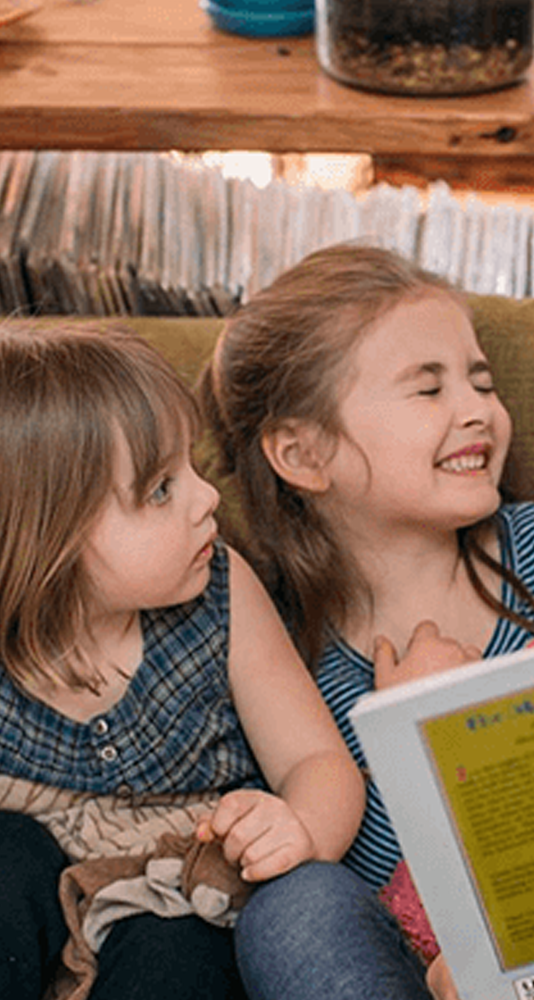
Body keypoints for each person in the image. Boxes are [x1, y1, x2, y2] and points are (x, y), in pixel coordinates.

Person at [201, 243, 534, 999]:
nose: (476, 409)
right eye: (429, 390)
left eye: (481, 382)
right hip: (415, 970)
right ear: (302, 453)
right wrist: (420, 728)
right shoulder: (287, 651)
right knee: (295, 910)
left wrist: (468, 715)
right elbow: (371, 874)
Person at [0, 322, 365, 1000]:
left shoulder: (223, 591)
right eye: (161, 489)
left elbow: (318, 764)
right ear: (46, 540)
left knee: (179, 958)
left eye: (191, 467)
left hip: (179, 891)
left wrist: (300, 827)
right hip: (33, 896)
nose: (208, 499)